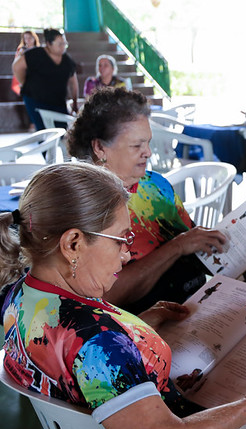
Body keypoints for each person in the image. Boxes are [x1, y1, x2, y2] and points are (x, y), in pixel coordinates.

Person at [0, 162, 246, 429]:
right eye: (121, 240)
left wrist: (142, 322)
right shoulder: (98, 341)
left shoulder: (20, 296)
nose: (127, 254)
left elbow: (71, 355)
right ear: (73, 243)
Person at [67, 88, 228, 314]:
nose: (149, 153)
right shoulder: (84, 206)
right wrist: (178, 246)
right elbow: (107, 296)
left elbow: (194, 242)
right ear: (100, 147)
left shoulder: (155, 186)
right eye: (137, 145)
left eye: (148, 143)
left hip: (193, 308)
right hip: (138, 327)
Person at [12, 28, 79, 131]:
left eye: (64, 43)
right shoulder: (35, 54)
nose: (63, 47)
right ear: (49, 43)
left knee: (61, 130)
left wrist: (74, 102)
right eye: (59, 44)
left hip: (58, 101)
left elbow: (73, 82)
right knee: (44, 133)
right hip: (35, 99)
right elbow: (16, 67)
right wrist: (25, 83)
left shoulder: (66, 60)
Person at [11, 31, 39, 98]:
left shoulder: (39, 50)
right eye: (26, 38)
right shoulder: (22, 50)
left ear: (34, 38)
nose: (28, 40)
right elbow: (16, 64)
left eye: (30, 38)